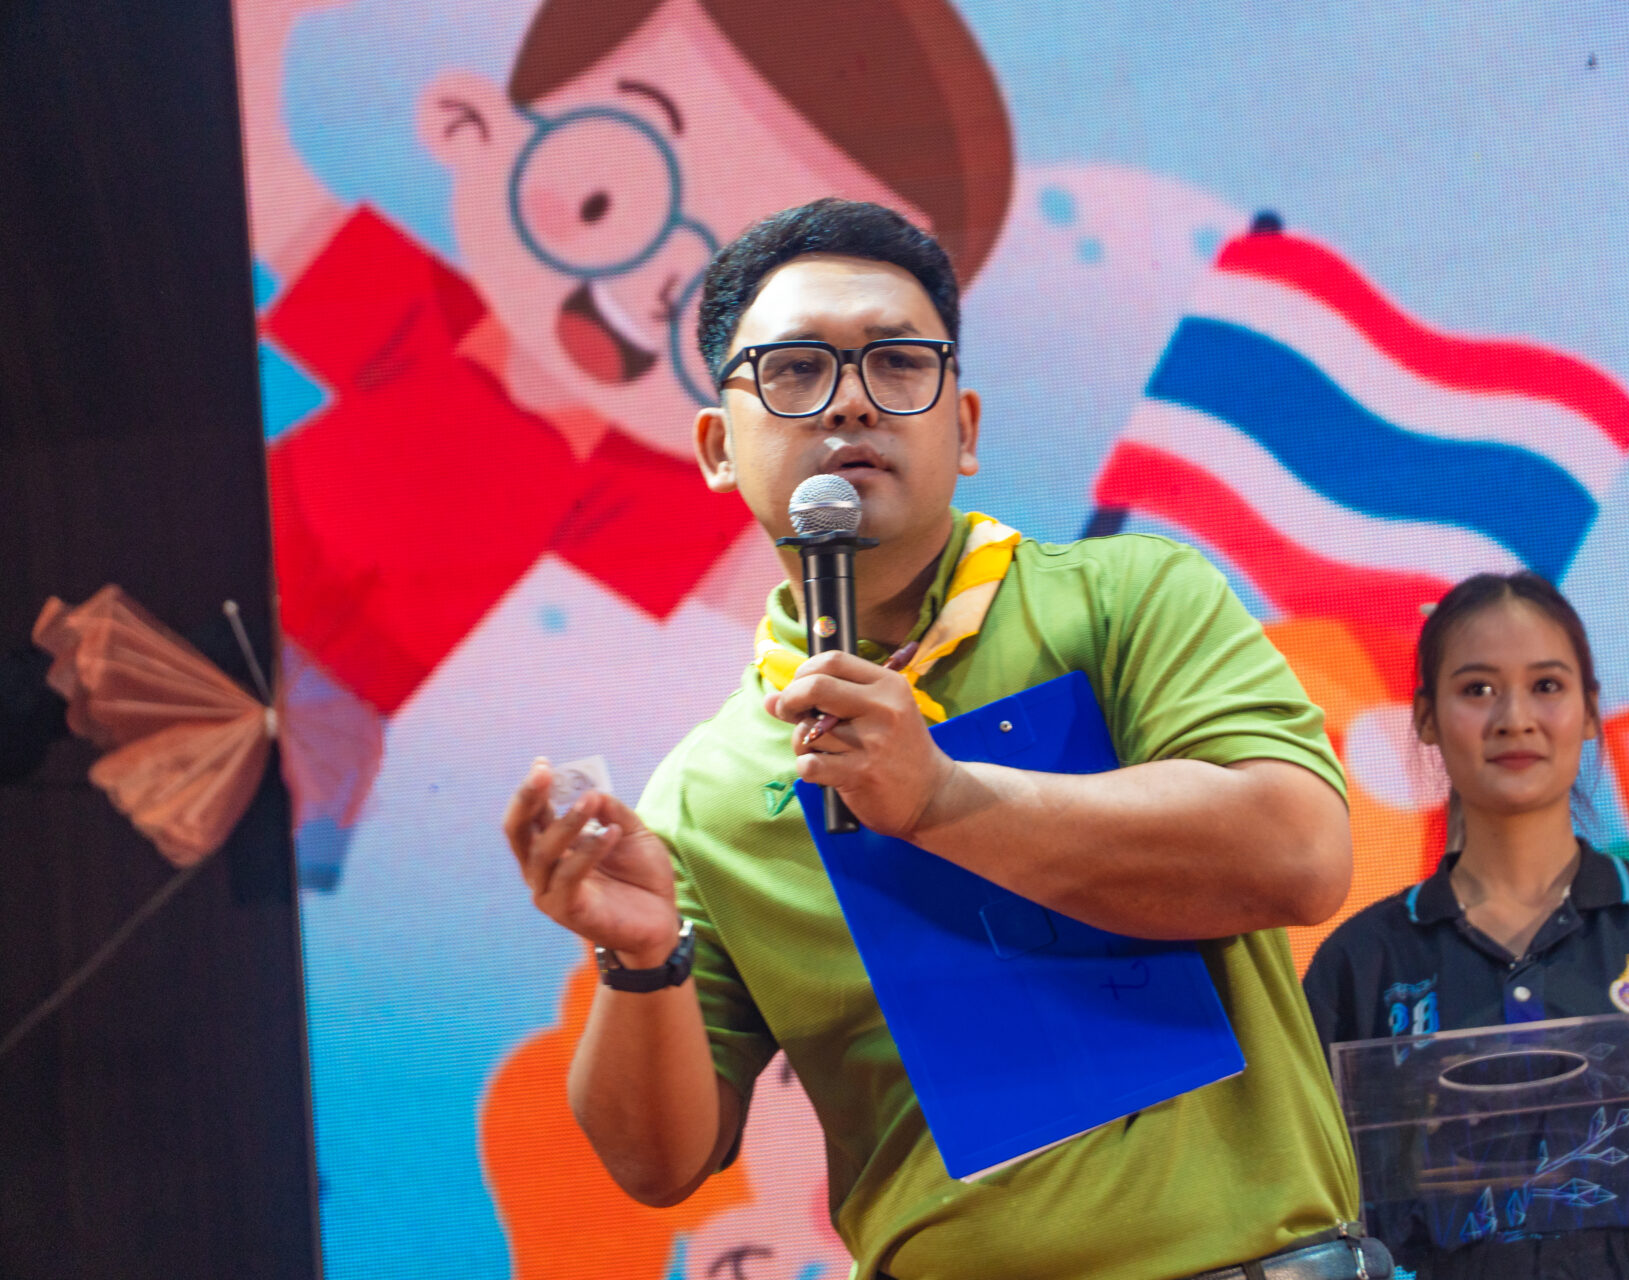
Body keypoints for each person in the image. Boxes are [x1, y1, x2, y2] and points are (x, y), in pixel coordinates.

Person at [502, 198, 1395, 1280]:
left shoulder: (1125, 600)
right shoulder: (707, 793)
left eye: (896, 363)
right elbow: (657, 1161)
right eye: (795, 369)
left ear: (964, 428)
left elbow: (1298, 853)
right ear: (717, 447)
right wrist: (641, 963)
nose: (851, 402)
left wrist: (943, 800)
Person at [235, 0, 1013, 715]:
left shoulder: (648, 487)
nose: (655, 287)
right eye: (605, 195)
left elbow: (813, 600)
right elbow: (266, 175)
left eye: (730, 296)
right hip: (223, 589)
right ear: (470, 123)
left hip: (343, 708)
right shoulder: (419, 310)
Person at [1302, 572, 1629, 1280]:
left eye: (1546, 685)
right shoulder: (1360, 965)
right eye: (1477, 689)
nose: (1514, 717)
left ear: (1589, 712)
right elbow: (1318, 1229)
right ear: (1425, 717)